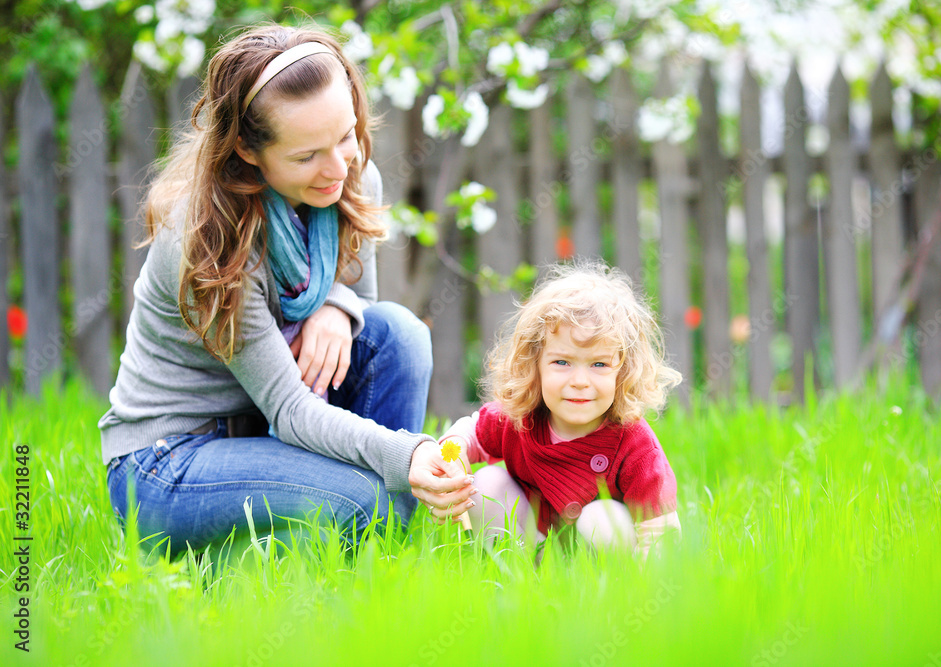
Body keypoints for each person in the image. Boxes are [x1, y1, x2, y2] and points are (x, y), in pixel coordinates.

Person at [100, 24, 475, 555]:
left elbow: (361, 298)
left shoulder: (350, 177)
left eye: (345, 136)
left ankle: (366, 549)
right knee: (366, 499)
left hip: (260, 428)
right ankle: (356, 535)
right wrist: (408, 454)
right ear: (248, 152)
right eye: (306, 157)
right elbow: (292, 410)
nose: (338, 168)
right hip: (171, 460)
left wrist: (338, 308)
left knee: (399, 334)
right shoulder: (208, 236)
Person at [439, 262, 683, 557]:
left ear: (623, 372)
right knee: (486, 484)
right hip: (533, 539)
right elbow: (469, 435)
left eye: (599, 364)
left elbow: (660, 534)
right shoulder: (521, 418)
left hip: (600, 559)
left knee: (602, 520)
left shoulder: (635, 445)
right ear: (535, 365)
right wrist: (451, 456)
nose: (579, 381)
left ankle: (601, 589)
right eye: (562, 362)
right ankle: (521, 571)